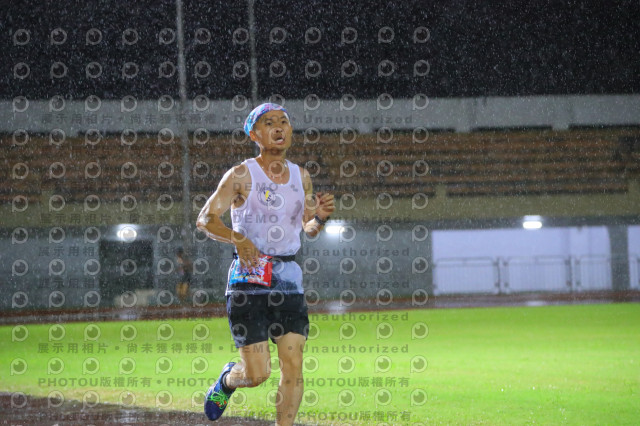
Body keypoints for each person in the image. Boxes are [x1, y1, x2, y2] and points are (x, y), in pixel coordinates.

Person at [196, 103, 335, 425]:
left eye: (284, 121)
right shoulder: (241, 174)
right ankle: (228, 379)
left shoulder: (301, 176)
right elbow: (205, 219)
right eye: (269, 123)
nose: (279, 127)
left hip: (288, 279)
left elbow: (308, 228)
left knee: (293, 365)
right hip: (248, 280)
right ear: (254, 134)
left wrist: (320, 218)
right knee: (257, 374)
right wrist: (238, 238)